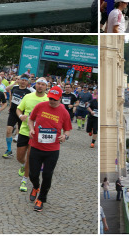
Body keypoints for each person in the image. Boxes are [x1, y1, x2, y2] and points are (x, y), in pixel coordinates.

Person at [26, 83, 72, 212]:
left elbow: (67, 130)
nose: (51, 101)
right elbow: (31, 119)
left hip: (52, 150)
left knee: (47, 175)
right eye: (50, 98)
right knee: (33, 174)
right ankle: (35, 187)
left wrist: (65, 137)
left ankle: (41, 198)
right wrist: (31, 129)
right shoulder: (40, 106)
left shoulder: (64, 112)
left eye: (54, 99)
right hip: (36, 146)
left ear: (60, 99)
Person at [15, 78, 49, 192]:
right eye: (38, 84)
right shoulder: (28, 97)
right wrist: (21, 116)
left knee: (30, 156)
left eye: (43, 85)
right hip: (24, 130)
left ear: (46, 87)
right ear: (35, 85)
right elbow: (19, 109)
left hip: (37, 134)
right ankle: (23, 165)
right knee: (19, 157)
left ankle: (24, 180)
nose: (40, 86)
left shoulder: (48, 100)